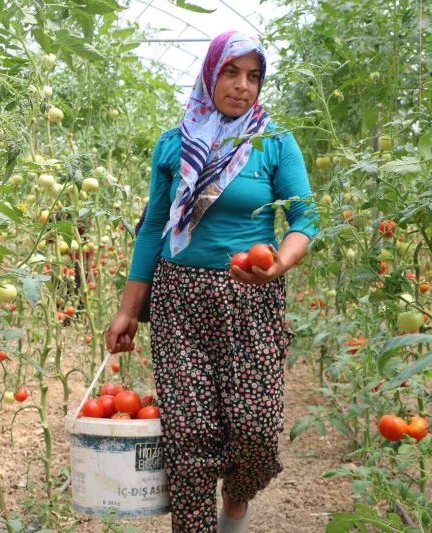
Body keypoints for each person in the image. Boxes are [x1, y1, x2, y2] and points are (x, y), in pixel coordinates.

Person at [104, 30, 318, 533]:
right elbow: (153, 227)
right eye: (231, 72)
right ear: (210, 74)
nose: (242, 86)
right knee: (190, 432)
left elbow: (306, 219)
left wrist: (279, 265)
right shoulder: (174, 143)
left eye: (253, 76)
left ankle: (238, 499)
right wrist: (129, 309)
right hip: (180, 297)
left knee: (257, 431)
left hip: (251, 297)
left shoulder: (274, 142)